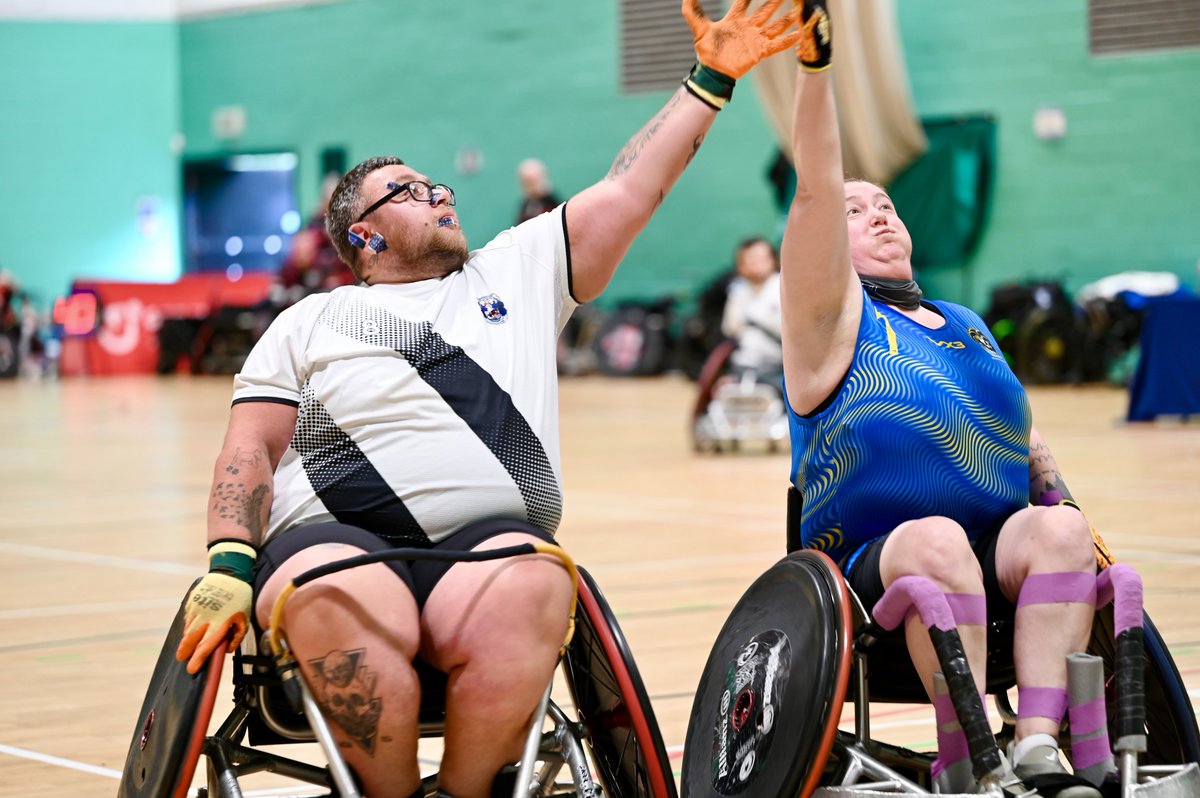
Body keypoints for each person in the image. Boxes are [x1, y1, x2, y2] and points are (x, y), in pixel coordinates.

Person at [173, 4, 802, 797]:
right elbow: (250, 449)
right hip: (334, 543)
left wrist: (710, 79)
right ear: (363, 237)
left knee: (542, 585)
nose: (438, 193)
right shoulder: (307, 321)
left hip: (491, 546)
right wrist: (230, 560)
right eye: (407, 191)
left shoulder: (519, 270)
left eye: (436, 182)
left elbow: (634, 184)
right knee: (341, 597)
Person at [780, 3, 1105, 796]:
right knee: (935, 542)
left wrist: (1062, 505)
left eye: (886, 204)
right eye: (856, 213)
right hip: (872, 559)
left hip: (994, 545)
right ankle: (967, 762)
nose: (879, 213)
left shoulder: (964, 322)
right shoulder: (829, 323)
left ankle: (1035, 746)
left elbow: (1024, 441)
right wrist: (818, 74)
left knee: (1062, 534)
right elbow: (817, 192)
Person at [719, 236, 783, 389]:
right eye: (750, 259)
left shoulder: (783, 286)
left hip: (778, 367)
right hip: (742, 365)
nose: (756, 263)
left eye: (761, 258)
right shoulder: (738, 289)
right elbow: (730, 328)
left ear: (772, 259)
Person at [513, 158, 560, 225]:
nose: (531, 186)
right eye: (527, 182)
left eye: (532, 181)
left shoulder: (552, 203)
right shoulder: (526, 205)